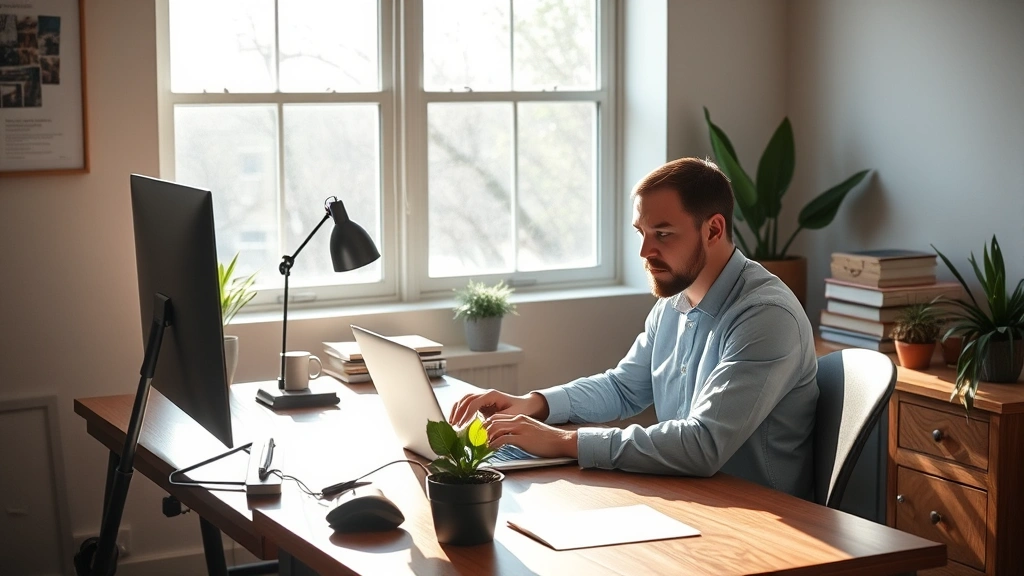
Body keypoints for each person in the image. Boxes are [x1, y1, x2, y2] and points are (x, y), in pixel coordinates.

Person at [449, 157, 819, 499]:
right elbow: (623, 388)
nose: (644, 251)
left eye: (663, 234)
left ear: (714, 229)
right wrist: (535, 404)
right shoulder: (673, 303)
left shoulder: (765, 317)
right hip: (689, 495)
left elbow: (703, 445)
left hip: (761, 518)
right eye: (641, 232)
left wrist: (563, 441)